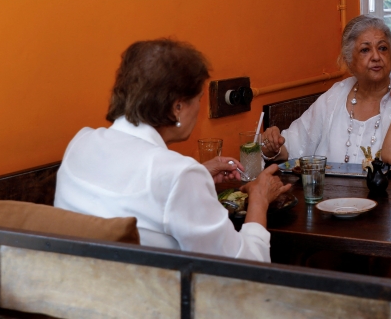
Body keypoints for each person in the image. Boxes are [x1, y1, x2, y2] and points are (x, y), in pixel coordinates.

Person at [54, 39, 290, 260]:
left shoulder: (81, 142)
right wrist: (259, 200)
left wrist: (198, 175)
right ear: (177, 107)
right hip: (154, 289)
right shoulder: (179, 175)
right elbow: (244, 267)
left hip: (78, 283)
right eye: (199, 98)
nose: (199, 108)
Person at [260, 15, 391, 168]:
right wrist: (273, 146)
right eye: (365, 50)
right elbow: (294, 146)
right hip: (334, 199)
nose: (376, 57)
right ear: (349, 61)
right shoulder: (334, 97)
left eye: (382, 48)